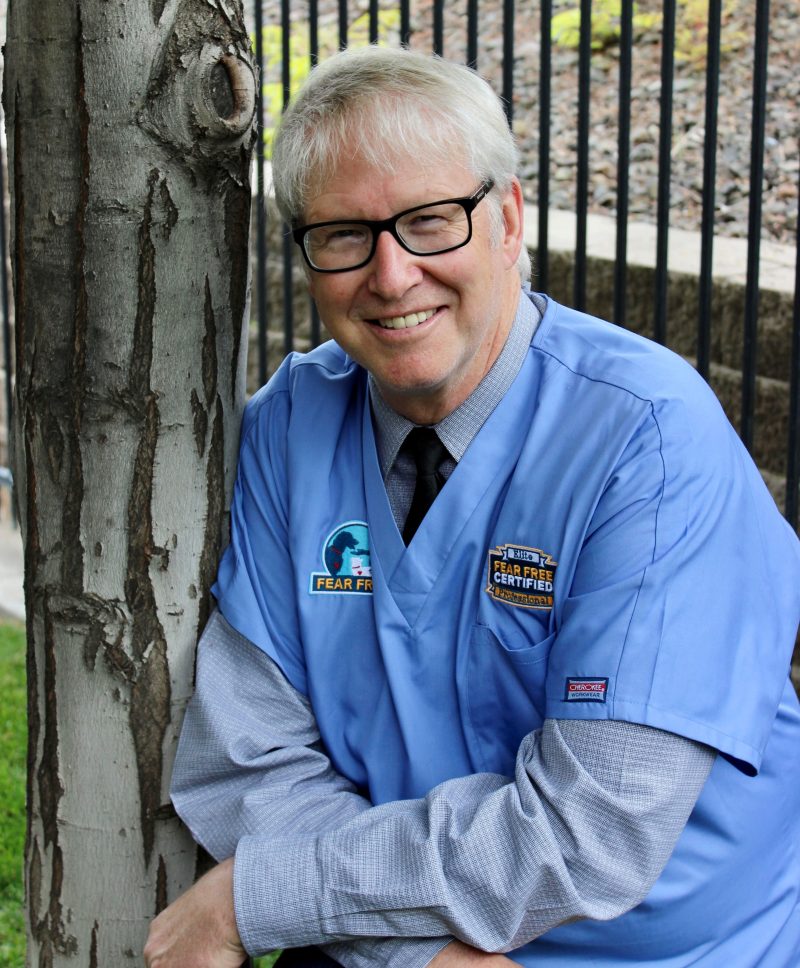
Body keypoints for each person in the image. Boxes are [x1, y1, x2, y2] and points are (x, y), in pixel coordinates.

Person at [144, 45, 800, 968]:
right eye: (345, 234)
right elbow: (247, 761)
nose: (391, 275)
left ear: (509, 220)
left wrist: (266, 896)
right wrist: (415, 958)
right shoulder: (289, 426)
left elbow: (593, 831)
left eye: (430, 221)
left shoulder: (647, 439)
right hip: (388, 942)